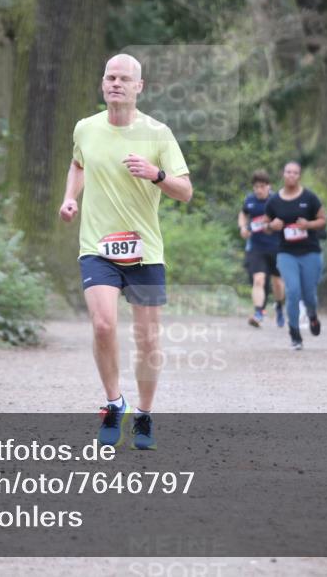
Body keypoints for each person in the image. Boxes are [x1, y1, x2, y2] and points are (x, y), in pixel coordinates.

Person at [58, 53, 191, 450]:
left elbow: (185, 191)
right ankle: (114, 402)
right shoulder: (86, 128)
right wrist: (69, 198)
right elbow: (78, 164)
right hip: (97, 246)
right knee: (103, 325)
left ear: (139, 87)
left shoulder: (158, 134)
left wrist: (156, 175)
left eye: (123, 78)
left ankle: (145, 415)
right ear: (103, 84)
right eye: (109, 77)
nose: (115, 83)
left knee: (148, 339)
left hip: (144, 250)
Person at [266, 161, 327, 351]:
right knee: (292, 292)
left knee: (309, 294)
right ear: (283, 174)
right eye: (288, 172)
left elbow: (323, 220)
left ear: (299, 176)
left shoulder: (309, 197)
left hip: (310, 252)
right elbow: (267, 226)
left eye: (295, 172)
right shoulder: (274, 201)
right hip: (286, 253)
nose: (291, 175)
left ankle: (312, 315)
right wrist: (272, 226)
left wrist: (308, 225)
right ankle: (295, 334)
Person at [238, 170, 285, 328]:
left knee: (277, 282)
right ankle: (259, 312)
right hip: (256, 247)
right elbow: (243, 214)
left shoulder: (276, 200)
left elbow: (284, 219)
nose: (259, 190)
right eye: (256, 186)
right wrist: (243, 227)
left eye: (262, 186)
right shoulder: (250, 200)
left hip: (276, 247)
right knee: (258, 280)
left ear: (268, 186)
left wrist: (271, 225)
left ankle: (279, 306)